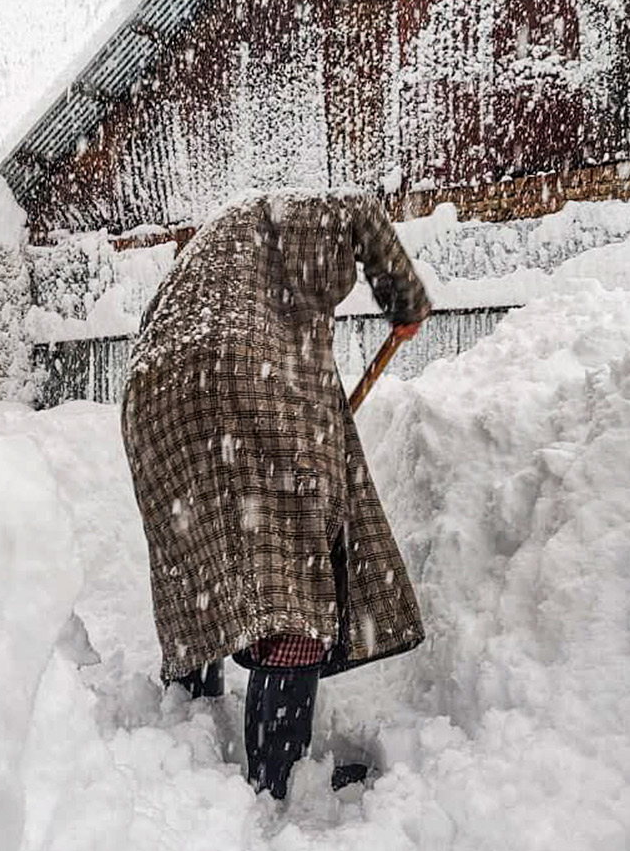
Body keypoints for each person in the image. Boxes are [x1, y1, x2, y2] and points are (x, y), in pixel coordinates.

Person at [120, 187, 430, 800]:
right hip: (240, 377)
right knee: (288, 573)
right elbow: (360, 211)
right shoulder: (302, 212)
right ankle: (280, 782)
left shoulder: (215, 245)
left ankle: (189, 720)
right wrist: (406, 303)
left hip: (152, 400)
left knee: (199, 559)